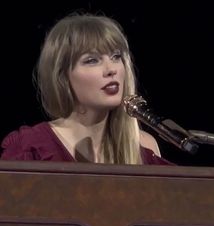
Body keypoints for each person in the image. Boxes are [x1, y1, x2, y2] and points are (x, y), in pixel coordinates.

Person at [1, 13, 173, 165]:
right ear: (62, 77)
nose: (111, 69)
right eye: (92, 60)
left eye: (116, 57)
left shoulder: (144, 147)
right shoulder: (31, 147)